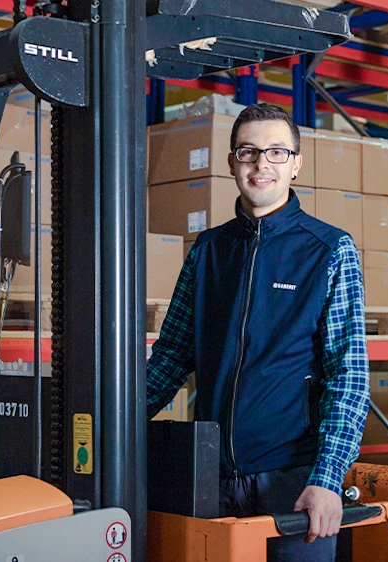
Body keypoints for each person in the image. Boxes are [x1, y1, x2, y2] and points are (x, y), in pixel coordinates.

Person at [147, 103, 369, 561]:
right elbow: (170, 356)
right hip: (210, 478)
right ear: (231, 162)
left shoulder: (328, 250)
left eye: (275, 152)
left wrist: (327, 478)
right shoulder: (208, 251)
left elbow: (348, 376)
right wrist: (109, 424)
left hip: (293, 479)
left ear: (296, 163)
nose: (261, 164)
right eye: (248, 152)